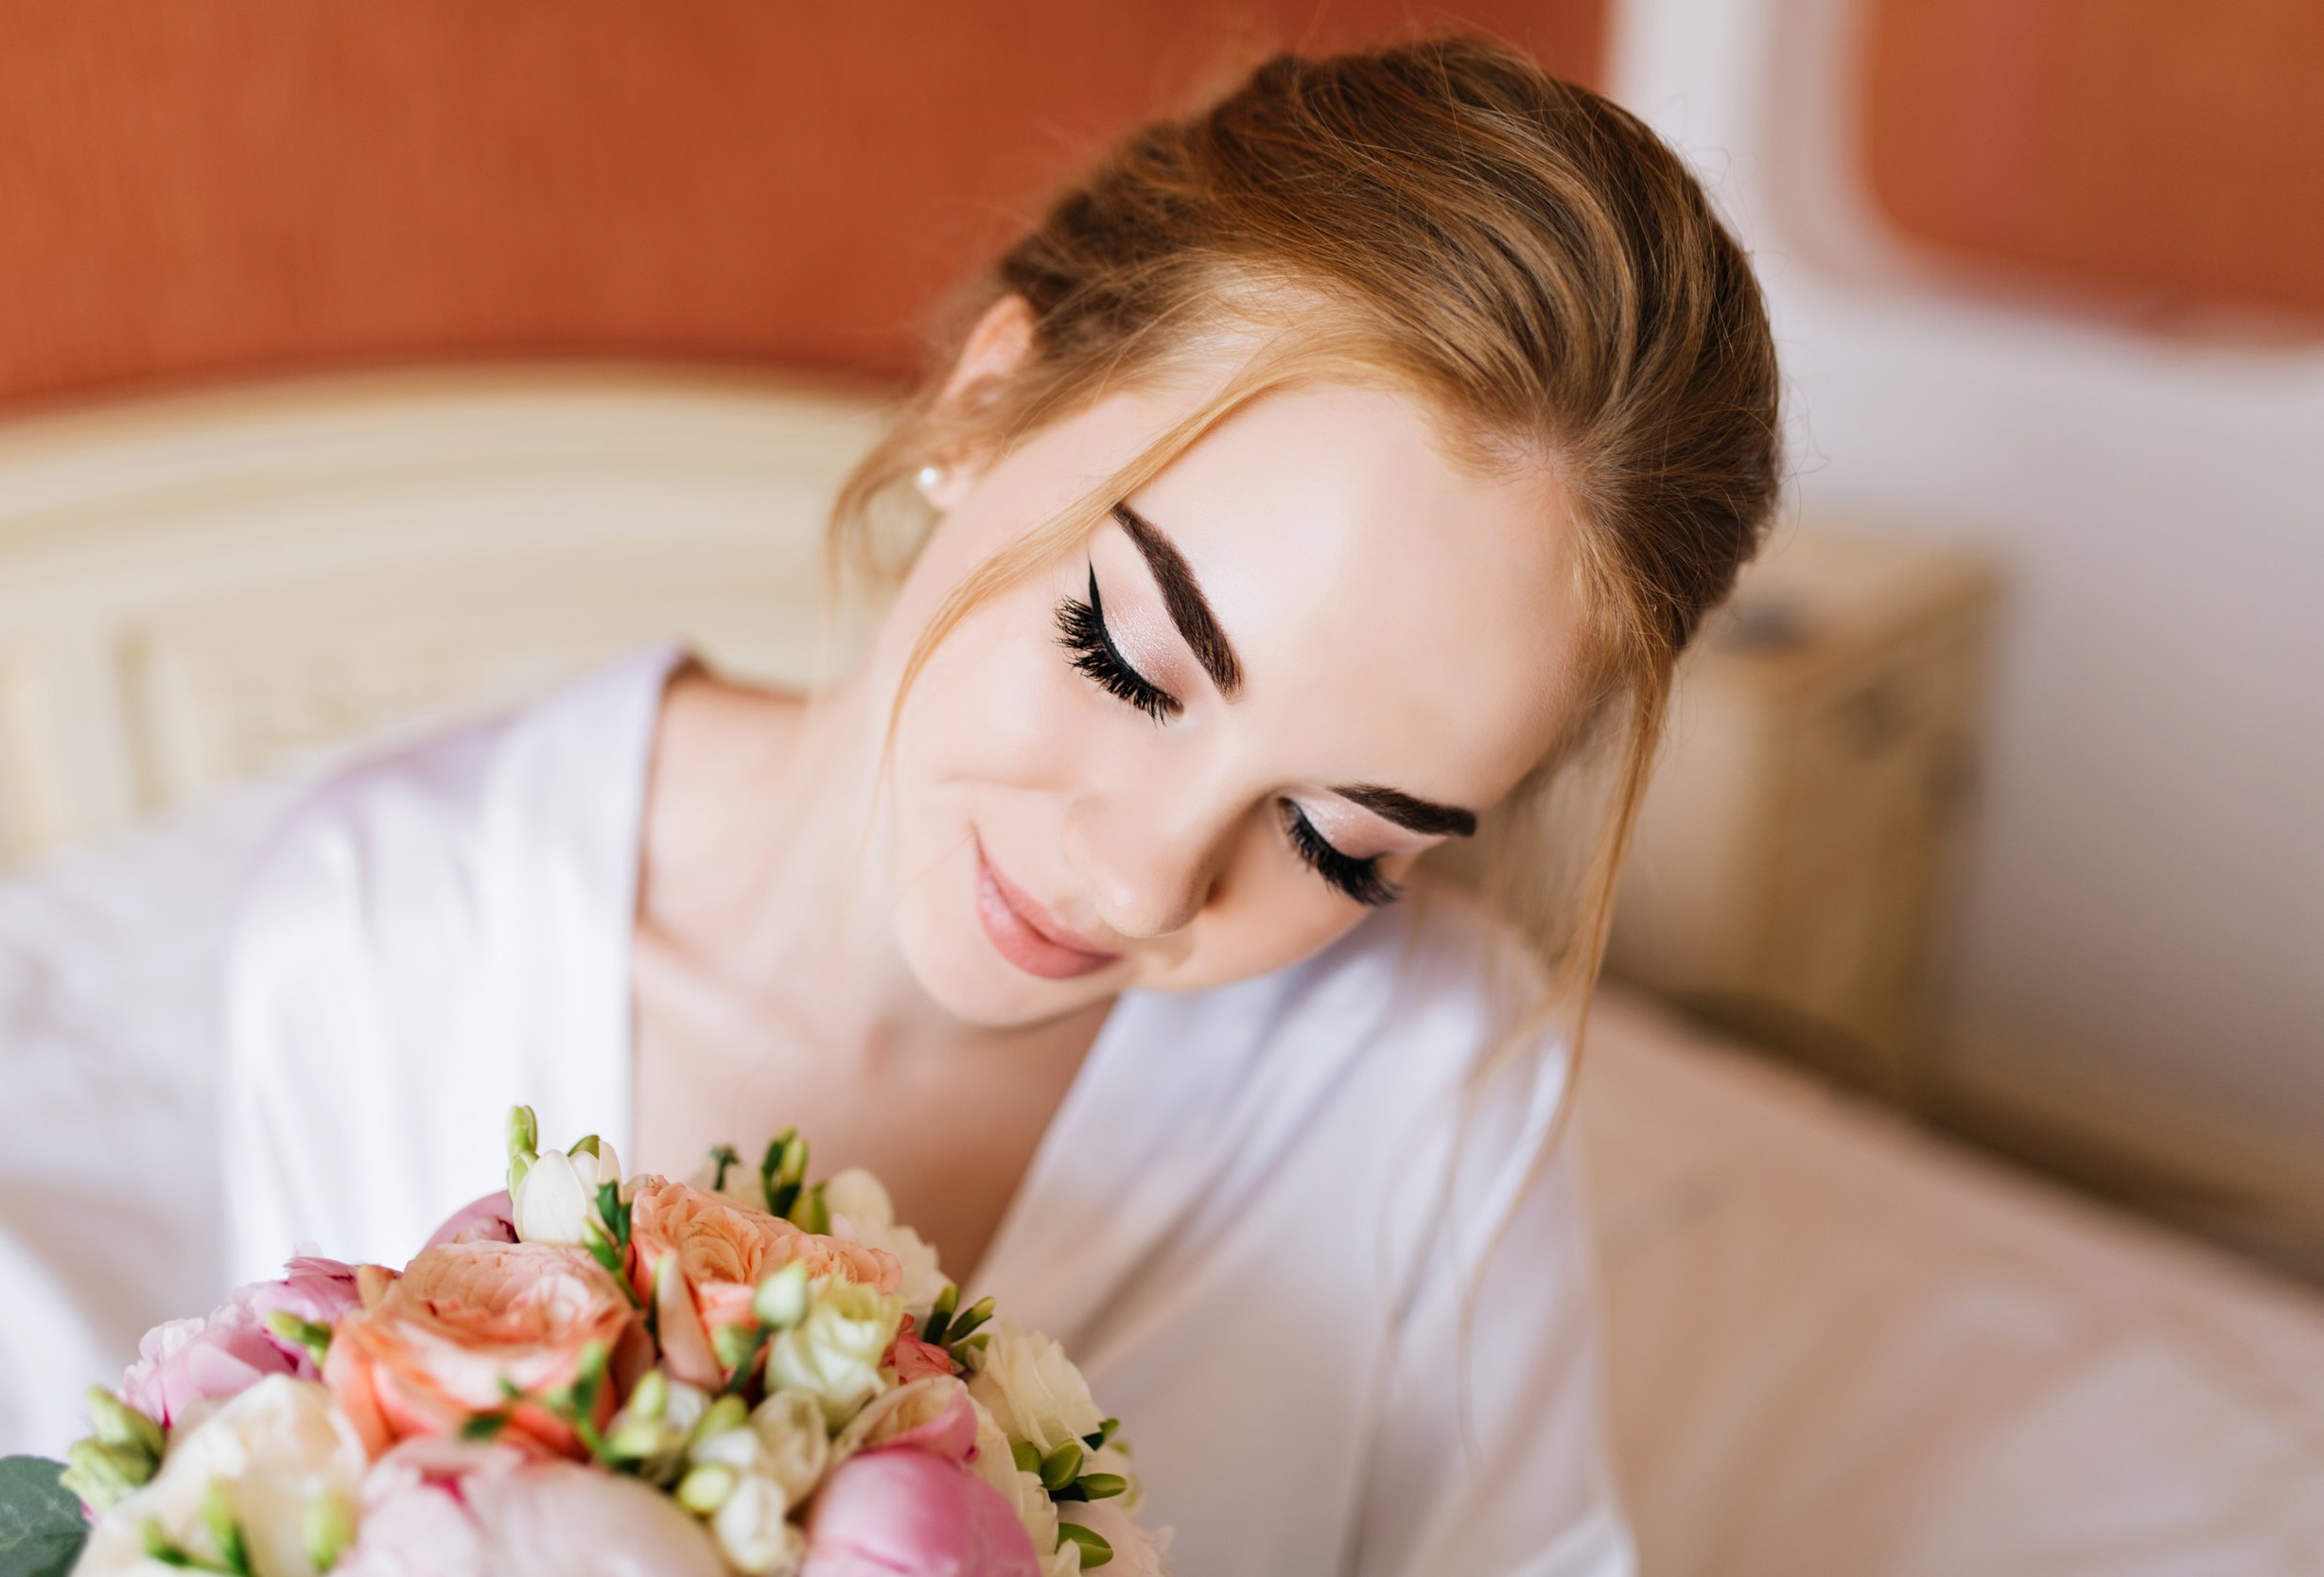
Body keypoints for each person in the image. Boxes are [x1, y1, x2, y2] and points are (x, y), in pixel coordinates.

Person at [221, 37, 1780, 1577]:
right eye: (1129, 658)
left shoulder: (1435, 1082)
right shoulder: (385, 930)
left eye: (1339, 838)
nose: (1146, 879)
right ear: (992, 400)